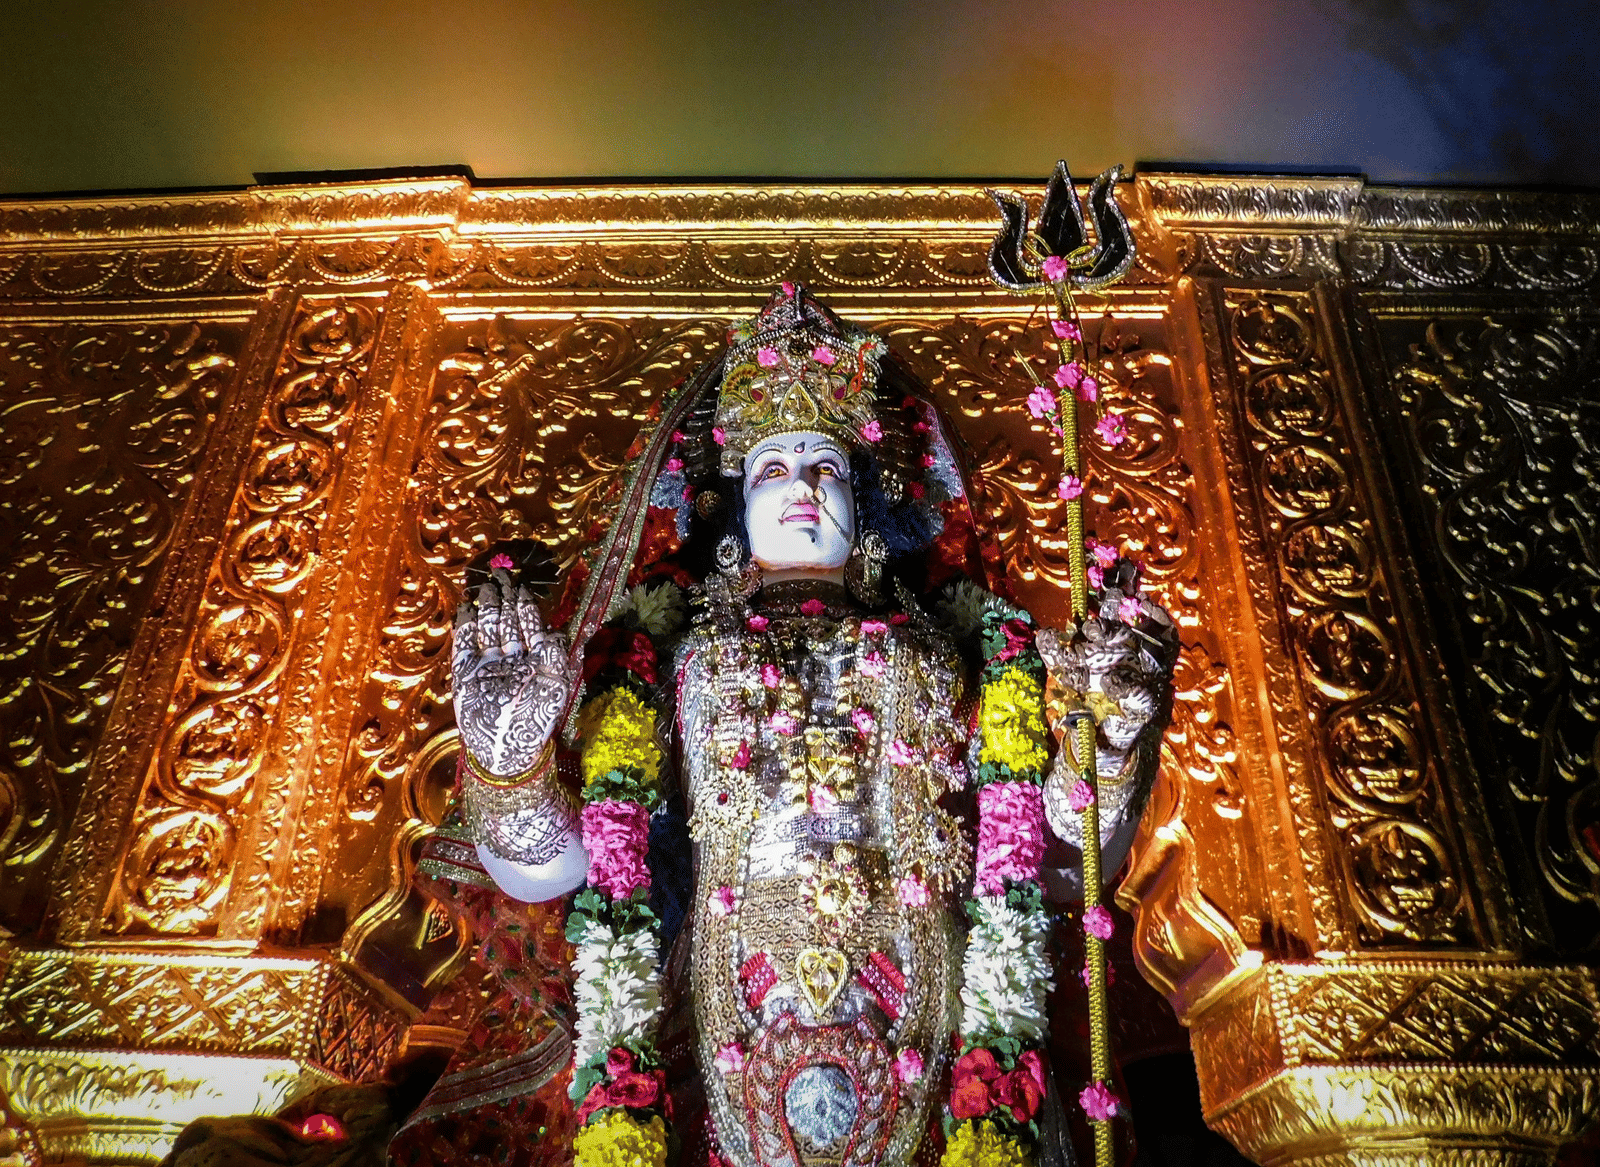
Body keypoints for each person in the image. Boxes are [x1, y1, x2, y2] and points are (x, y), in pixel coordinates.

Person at [393, 284, 1176, 1167]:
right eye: (772, 468)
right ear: (734, 502)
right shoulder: (662, 649)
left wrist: (1109, 739)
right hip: (710, 1052)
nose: (801, 486)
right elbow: (554, 875)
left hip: (946, 1056)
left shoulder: (958, 644)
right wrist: (509, 761)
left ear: (868, 496)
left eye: (825, 467)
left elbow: (1060, 868)